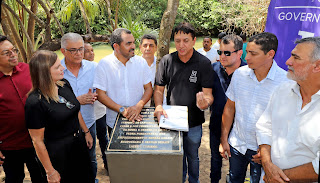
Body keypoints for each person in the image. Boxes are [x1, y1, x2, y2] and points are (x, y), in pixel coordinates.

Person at [219, 32, 288, 183]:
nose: (247, 58)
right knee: (234, 179)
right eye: (247, 52)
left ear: (270, 54)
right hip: (237, 145)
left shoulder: (286, 83)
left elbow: (286, 123)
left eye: (253, 53)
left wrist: (268, 151)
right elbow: (230, 108)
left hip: (262, 153)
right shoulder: (239, 74)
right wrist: (224, 139)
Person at [154, 22, 214, 183]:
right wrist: (159, 106)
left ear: (194, 40)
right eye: (178, 40)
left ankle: (194, 180)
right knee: (176, 156)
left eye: (186, 40)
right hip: (172, 120)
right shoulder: (167, 61)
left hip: (194, 122)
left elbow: (208, 95)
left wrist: (205, 103)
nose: (181, 45)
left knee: (193, 156)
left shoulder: (203, 63)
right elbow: (159, 89)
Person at [256, 37, 320, 182]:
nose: (288, 61)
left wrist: (277, 178)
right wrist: (267, 164)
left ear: (317, 66)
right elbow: (264, 127)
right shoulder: (282, 90)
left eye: (296, 57)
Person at [25, 50, 94, 183]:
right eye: (57, 67)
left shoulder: (64, 84)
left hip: (78, 145)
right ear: (44, 72)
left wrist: (86, 132)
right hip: (58, 154)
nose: (63, 68)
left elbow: (75, 110)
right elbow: (37, 141)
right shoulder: (35, 102)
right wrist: (50, 171)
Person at [0, 35, 47, 183]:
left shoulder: (28, 70)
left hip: (37, 141)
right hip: (10, 145)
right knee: (14, 179)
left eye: (13, 50)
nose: (13, 54)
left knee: (41, 177)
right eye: (7, 53)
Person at [93, 28, 153, 136]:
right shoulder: (104, 64)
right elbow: (100, 94)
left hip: (139, 118)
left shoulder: (141, 62)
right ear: (116, 46)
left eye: (133, 42)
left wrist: (139, 106)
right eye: (128, 43)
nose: (133, 46)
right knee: (117, 153)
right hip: (115, 122)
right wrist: (122, 110)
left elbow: (148, 88)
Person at [60, 33, 99, 182]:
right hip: (63, 126)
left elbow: (102, 91)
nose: (78, 53)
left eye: (81, 49)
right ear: (63, 51)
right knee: (67, 162)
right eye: (73, 50)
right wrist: (77, 100)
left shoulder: (94, 67)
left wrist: (96, 96)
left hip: (89, 122)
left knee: (91, 159)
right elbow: (50, 101)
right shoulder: (56, 70)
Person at [210, 34, 246, 183]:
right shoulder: (213, 69)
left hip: (239, 130)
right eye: (220, 52)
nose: (222, 56)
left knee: (236, 169)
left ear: (239, 53)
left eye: (227, 53)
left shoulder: (248, 72)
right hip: (216, 124)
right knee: (215, 162)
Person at [83, 42, 109, 173]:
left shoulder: (98, 67)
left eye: (92, 50)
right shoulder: (79, 72)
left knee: (104, 138)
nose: (91, 53)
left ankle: (107, 163)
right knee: (90, 143)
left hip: (100, 112)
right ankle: (90, 169)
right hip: (86, 116)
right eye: (87, 51)